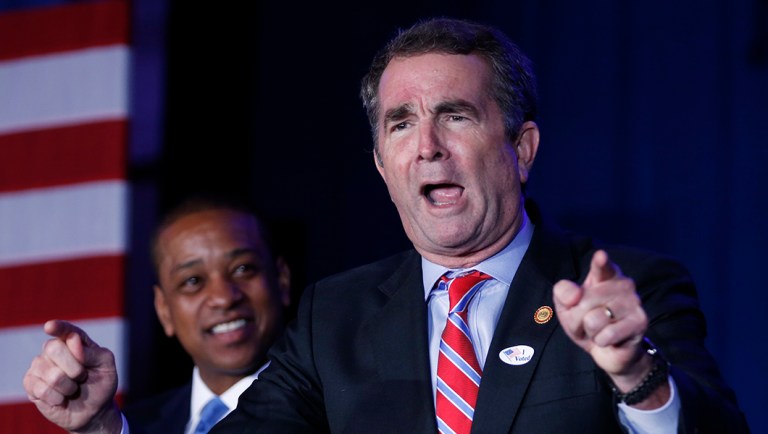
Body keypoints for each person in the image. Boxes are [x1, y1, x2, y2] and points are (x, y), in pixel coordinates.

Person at [212, 17, 749, 433]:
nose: (427, 148)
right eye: (402, 124)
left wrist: (638, 376)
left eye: (456, 116)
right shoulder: (329, 318)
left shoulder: (628, 288)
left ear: (522, 148)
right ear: (381, 165)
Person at [23, 196, 292, 434]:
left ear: (281, 280)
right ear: (164, 311)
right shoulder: (127, 426)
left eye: (243, 268)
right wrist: (100, 427)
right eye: (193, 281)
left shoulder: (327, 410)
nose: (223, 297)